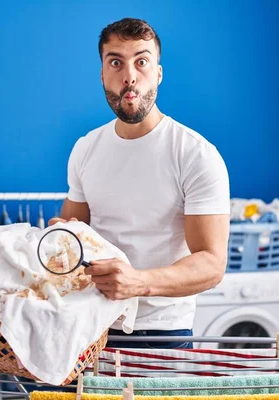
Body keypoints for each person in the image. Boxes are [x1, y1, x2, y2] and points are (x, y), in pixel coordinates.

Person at [49, 17, 230, 349]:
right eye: (116, 62)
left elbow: (212, 264)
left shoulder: (196, 155)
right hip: (90, 328)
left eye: (141, 61)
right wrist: (60, 238)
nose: (129, 75)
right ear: (103, 74)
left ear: (158, 73)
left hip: (164, 334)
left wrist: (138, 283)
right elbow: (74, 232)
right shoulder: (85, 149)